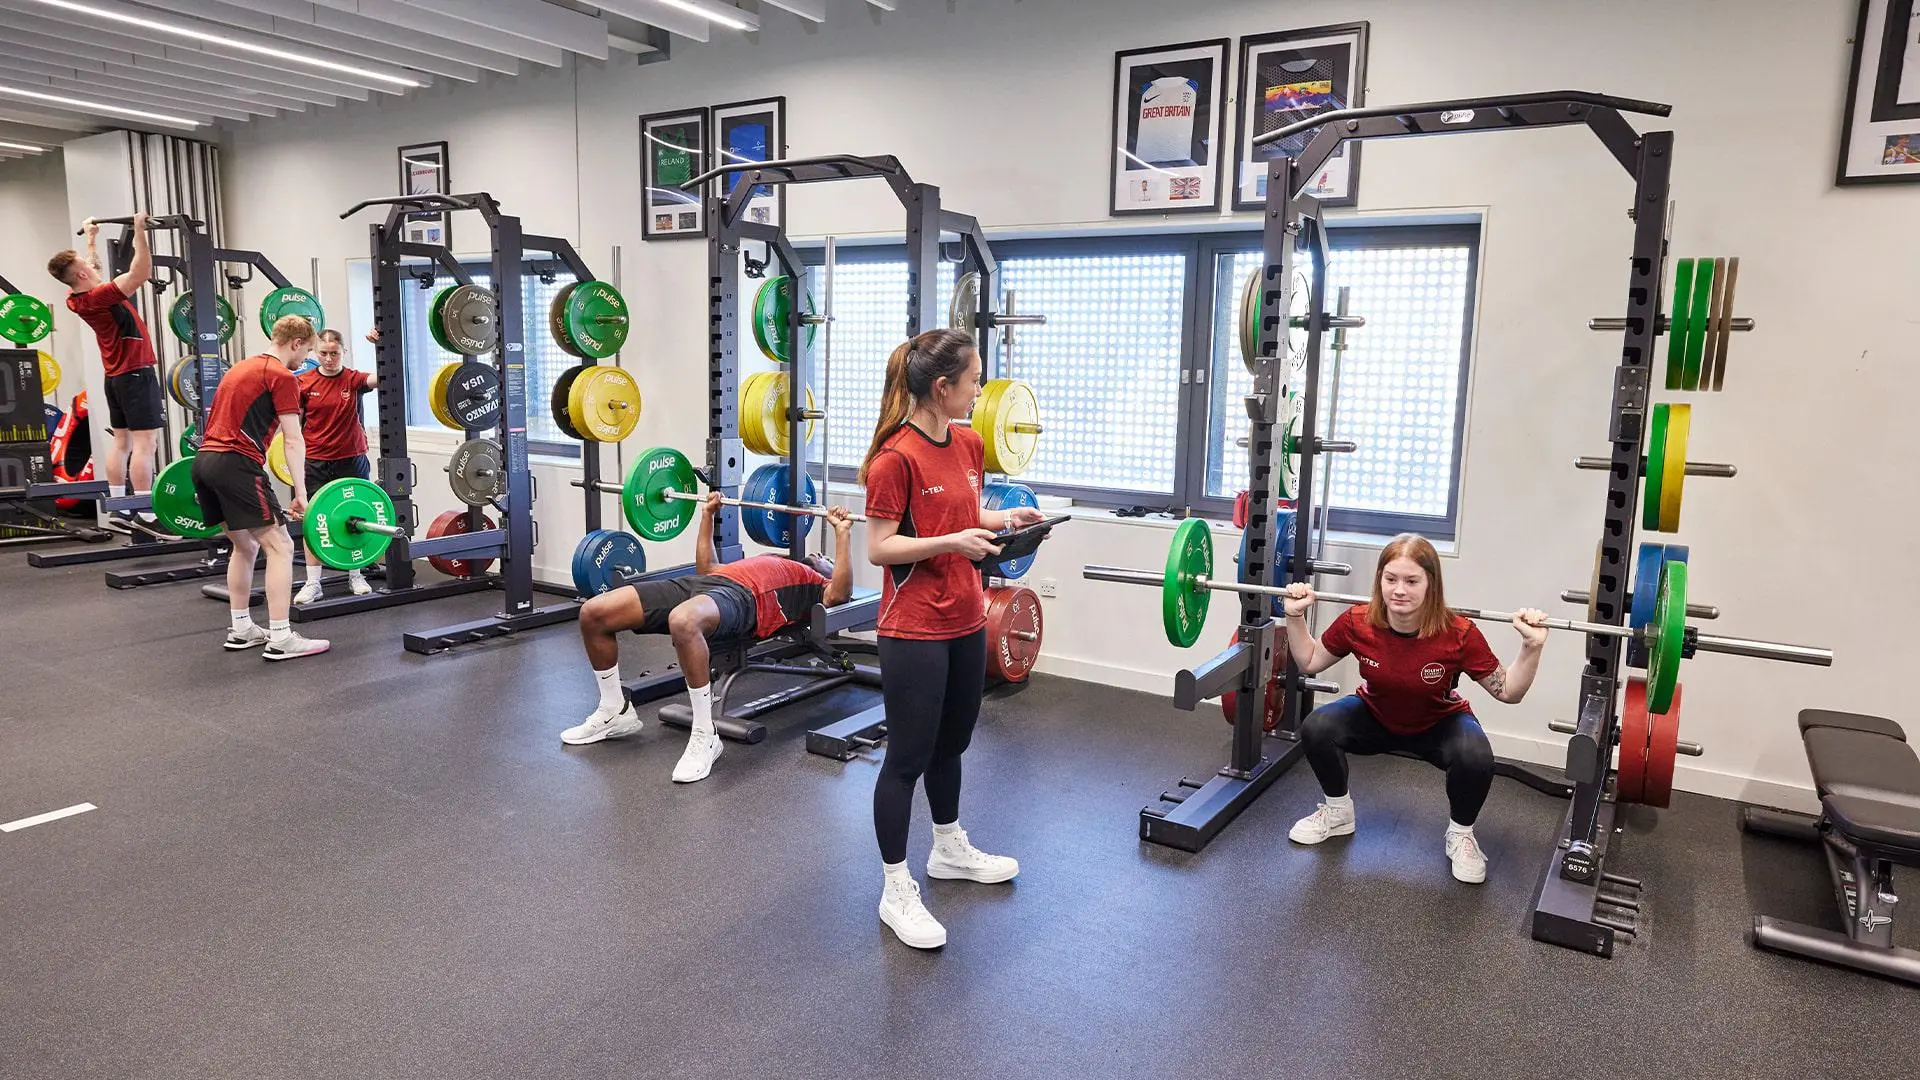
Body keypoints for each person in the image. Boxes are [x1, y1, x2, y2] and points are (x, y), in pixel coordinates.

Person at [859, 328, 1048, 950]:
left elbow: (962, 516)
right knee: (908, 757)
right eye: (973, 382)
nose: (980, 392)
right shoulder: (895, 457)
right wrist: (950, 544)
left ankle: (948, 848)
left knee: (953, 743)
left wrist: (1003, 519)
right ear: (942, 388)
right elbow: (881, 547)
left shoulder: (967, 443)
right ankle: (895, 888)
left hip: (966, 617)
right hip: (913, 627)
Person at [1277, 534, 1548, 883]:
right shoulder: (1358, 621)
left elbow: (1508, 691)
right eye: (1390, 579)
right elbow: (1311, 661)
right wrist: (1294, 618)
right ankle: (1337, 812)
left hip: (1439, 721)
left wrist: (1531, 647)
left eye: (1411, 581)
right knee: (1317, 727)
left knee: (1476, 756)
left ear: (1430, 584)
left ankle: (1461, 834)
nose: (1399, 590)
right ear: (1380, 580)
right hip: (1376, 714)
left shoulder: (1458, 632)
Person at [562, 490, 857, 784]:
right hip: (704, 583)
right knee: (594, 611)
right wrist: (707, 515)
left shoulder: (814, 584)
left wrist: (841, 535)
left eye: (826, 558)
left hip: (745, 600)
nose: (820, 556)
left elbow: (840, 592)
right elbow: (707, 568)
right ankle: (616, 709)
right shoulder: (769, 558)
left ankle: (706, 733)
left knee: (683, 621)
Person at [191, 314, 330, 661]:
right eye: (307, 350)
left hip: (204, 462)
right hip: (236, 464)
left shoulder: (240, 368)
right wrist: (301, 493)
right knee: (281, 546)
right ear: (295, 343)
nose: (306, 360)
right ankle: (281, 636)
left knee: (245, 545)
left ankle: (241, 629)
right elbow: (293, 440)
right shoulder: (281, 376)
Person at [47, 212, 166, 533]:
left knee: (122, 443)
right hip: (135, 374)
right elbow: (140, 273)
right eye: (85, 265)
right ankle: (147, 514)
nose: (90, 267)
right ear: (82, 273)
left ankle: (121, 507)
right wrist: (140, 230)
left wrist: (90, 237)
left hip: (114, 377)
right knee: (146, 445)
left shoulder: (76, 297)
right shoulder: (100, 296)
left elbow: (90, 268)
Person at [294, 328, 380, 603]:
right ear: (315, 352)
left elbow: (385, 378)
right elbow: (292, 427)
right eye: (323, 353)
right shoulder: (304, 382)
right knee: (314, 520)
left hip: (351, 457)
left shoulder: (352, 380)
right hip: (316, 459)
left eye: (335, 353)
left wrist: (382, 346)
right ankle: (313, 583)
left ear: (344, 352)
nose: (329, 359)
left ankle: (356, 575)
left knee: (354, 518)